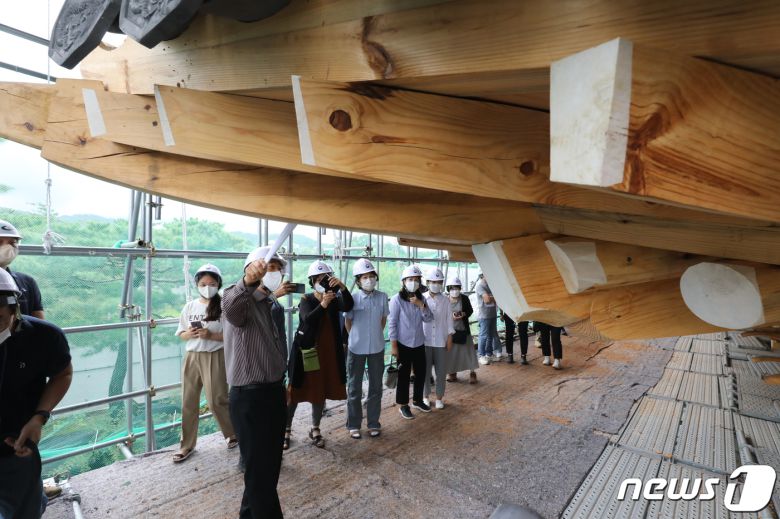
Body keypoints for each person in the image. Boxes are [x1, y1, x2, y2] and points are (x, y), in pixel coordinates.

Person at [222, 247, 290, 519]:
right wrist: (248, 281)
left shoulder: (269, 304)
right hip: (250, 398)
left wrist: (282, 382)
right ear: (252, 269)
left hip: (272, 392)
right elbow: (231, 307)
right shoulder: (239, 300)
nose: (274, 272)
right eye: (268, 267)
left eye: (278, 268)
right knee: (260, 474)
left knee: (267, 469)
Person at [0, 269, 72, 519]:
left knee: (25, 508)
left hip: (17, 445)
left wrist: (39, 417)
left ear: (15, 307)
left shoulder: (43, 337)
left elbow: (63, 373)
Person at [173, 264, 237, 463]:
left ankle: (232, 434)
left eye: (212, 283)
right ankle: (186, 445)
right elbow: (181, 334)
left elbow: (232, 335)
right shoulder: (190, 306)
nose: (207, 287)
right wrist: (189, 333)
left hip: (214, 355)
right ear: (197, 285)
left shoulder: (224, 306)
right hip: (192, 356)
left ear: (218, 284)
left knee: (217, 399)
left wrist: (210, 335)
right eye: (203, 284)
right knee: (188, 401)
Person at [286, 260, 353, 449]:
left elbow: (348, 306)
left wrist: (342, 288)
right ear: (312, 281)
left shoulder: (334, 299)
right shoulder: (307, 299)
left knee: (319, 390)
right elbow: (308, 319)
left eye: (326, 279)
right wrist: (323, 304)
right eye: (318, 279)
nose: (322, 282)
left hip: (327, 353)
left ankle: (315, 428)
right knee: (295, 391)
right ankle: (286, 429)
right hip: (306, 352)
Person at [344, 259, 388, 439]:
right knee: (354, 387)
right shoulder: (352, 298)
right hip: (356, 348)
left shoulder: (382, 297)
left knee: (376, 387)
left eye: (371, 276)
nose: (369, 280)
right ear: (358, 280)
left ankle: (373, 423)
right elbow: (348, 322)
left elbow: (383, 320)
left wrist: (374, 335)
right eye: (364, 277)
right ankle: (354, 424)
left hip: (377, 347)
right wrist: (356, 337)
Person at [388, 265, 434, 420]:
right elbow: (392, 323)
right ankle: (403, 405)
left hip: (419, 342)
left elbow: (429, 318)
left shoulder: (422, 299)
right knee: (403, 375)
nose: (413, 282)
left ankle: (417, 400)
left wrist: (421, 305)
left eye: (416, 279)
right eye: (410, 279)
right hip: (403, 343)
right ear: (404, 281)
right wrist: (394, 346)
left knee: (421, 372)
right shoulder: (396, 300)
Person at [422, 267, 453, 410]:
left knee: (441, 371)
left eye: (439, 282)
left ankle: (439, 398)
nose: (436, 284)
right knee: (425, 371)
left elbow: (449, 320)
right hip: (425, 340)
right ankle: (425, 397)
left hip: (441, 340)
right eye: (433, 282)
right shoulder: (422, 298)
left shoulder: (445, 300)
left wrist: (449, 338)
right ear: (428, 282)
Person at [0, 220, 44, 319]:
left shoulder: (27, 282)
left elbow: (40, 324)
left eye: (13, 243)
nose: (8, 248)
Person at [444, 276, 478, 384]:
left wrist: (463, 314)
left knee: (468, 352)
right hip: (450, 332)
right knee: (451, 354)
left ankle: (472, 373)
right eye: (452, 288)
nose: (455, 290)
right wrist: (450, 316)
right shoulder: (445, 300)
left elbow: (470, 310)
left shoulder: (464, 298)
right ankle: (452, 373)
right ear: (448, 289)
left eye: (457, 288)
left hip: (463, 330)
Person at [475, 273, 498, 365]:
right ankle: (481, 355)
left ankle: (489, 354)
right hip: (484, 315)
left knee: (490, 335)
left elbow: (492, 298)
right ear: (483, 275)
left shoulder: (491, 285)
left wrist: (491, 297)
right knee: (483, 336)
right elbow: (487, 300)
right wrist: (495, 298)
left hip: (493, 313)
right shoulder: (480, 286)